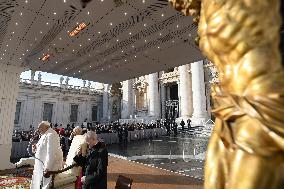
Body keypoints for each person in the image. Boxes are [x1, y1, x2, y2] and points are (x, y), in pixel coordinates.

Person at [30, 121, 63, 189]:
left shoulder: (51, 135)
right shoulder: (44, 134)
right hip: (41, 164)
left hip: (49, 167)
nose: (38, 130)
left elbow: (51, 153)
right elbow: (42, 149)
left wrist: (47, 168)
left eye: (40, 128)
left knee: (44, 185)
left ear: (46, 127)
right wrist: (35, 148)